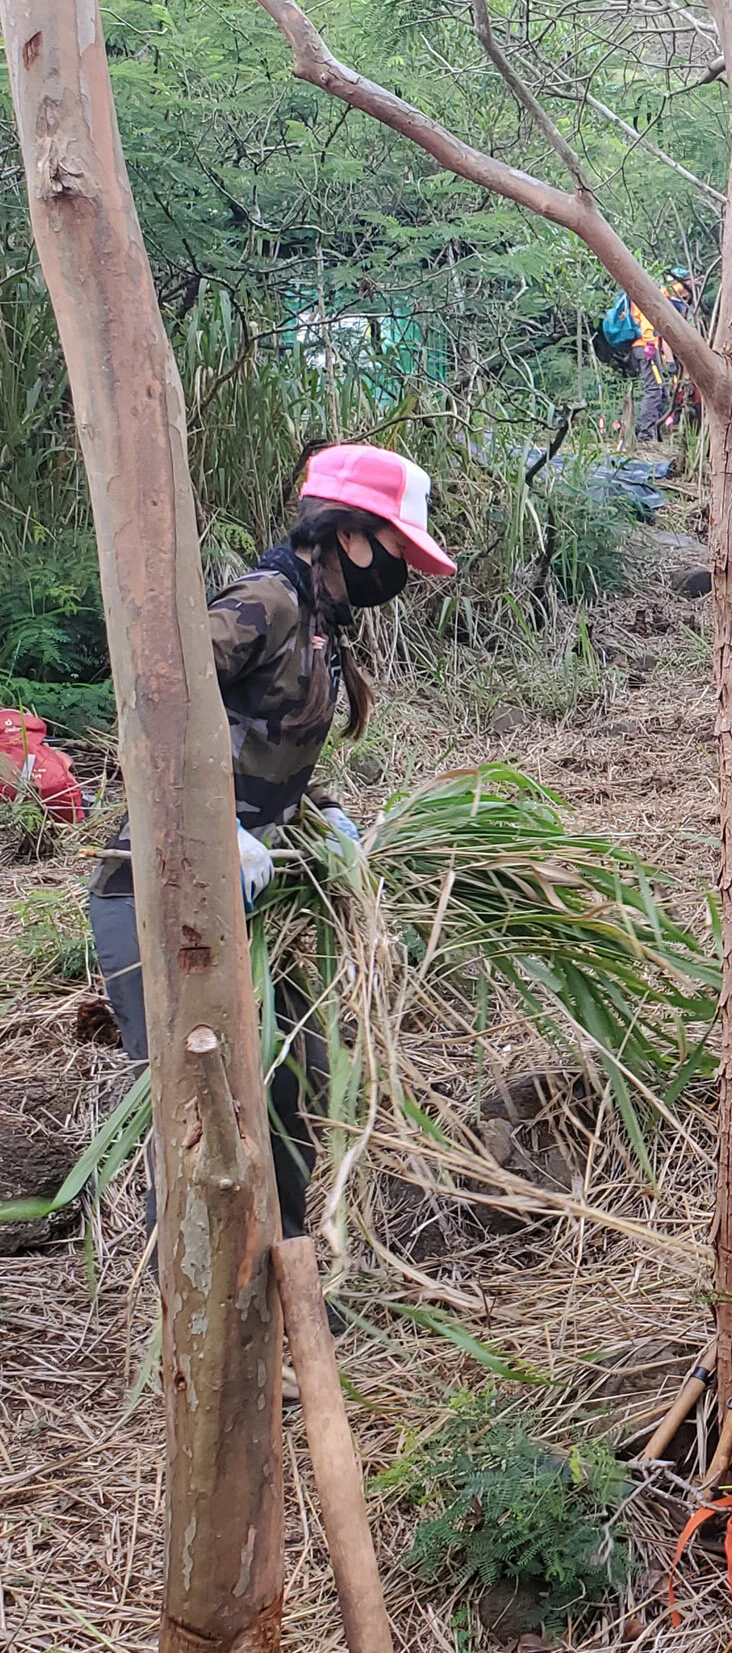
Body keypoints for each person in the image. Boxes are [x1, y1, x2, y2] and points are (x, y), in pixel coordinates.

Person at [88, 443, 456, 1241]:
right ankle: (199, 1326)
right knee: (205, 1120)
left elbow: (262, 749)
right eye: (398, 549)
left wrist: (320, 820)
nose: (400, 574)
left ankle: (279, 1297)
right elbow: (156, 697)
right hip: (159, 895)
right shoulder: (268, 601)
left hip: (252, 893)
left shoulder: (323, 623)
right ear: (351, 536)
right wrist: (210, 826)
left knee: (292, 1091)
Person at [633, 268, 700, 444]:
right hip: (647, 347)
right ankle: (645, 435)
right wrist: (667, 359)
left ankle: (650, 431)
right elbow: (660, 334)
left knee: (661, 391)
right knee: (654, 390)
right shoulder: (654, 297)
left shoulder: (658, 298)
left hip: (649, 347)